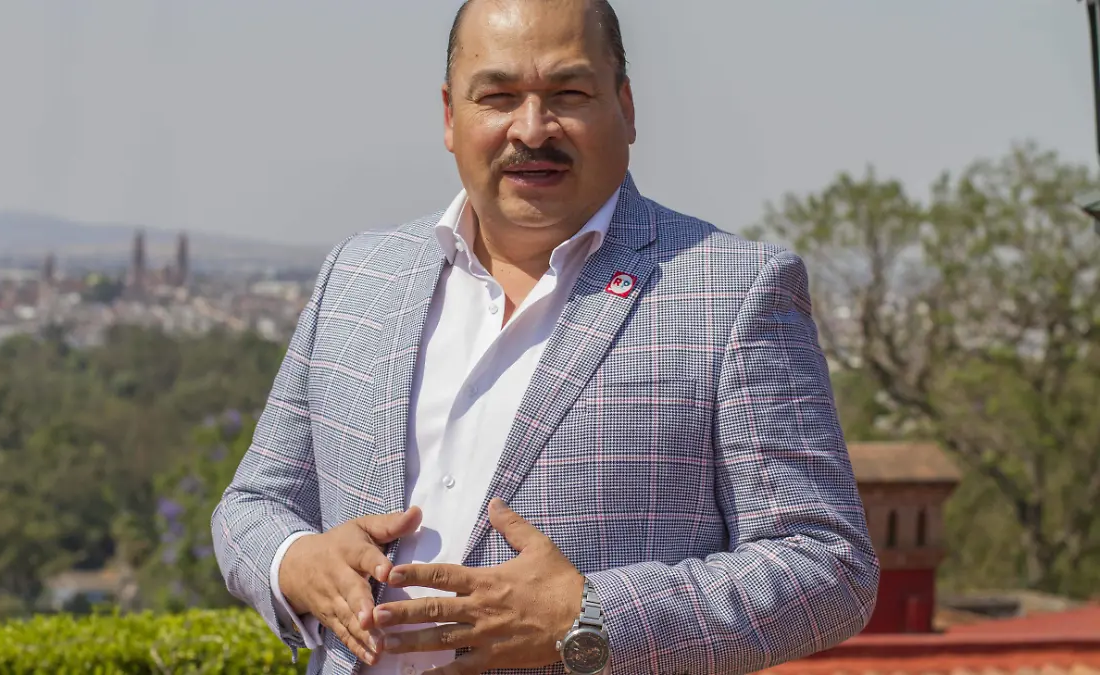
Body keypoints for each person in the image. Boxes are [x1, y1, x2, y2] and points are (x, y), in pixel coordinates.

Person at [211, 0, 879, 673]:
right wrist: (294, 562)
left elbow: (828, 564)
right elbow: (255, 502)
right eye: (498, 96)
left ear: (625, 107)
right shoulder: (359, 275)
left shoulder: (732, 292)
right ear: (450, 116)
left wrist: (587, 618)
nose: (531, 129)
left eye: (568, 94)